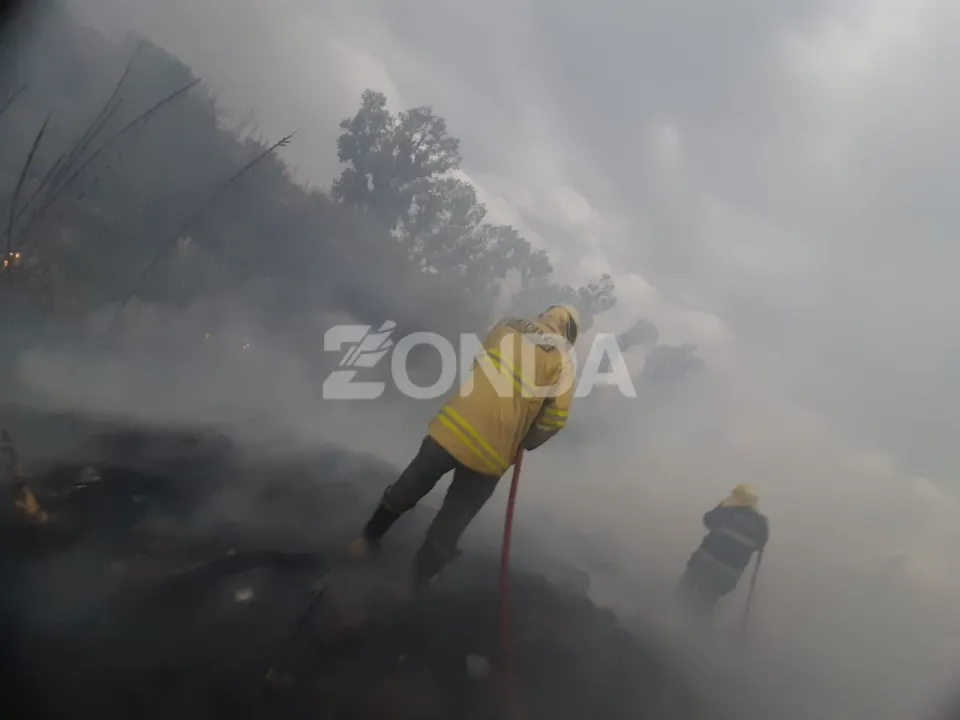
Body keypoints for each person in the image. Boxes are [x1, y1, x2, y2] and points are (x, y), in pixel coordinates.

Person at [345, 304, 581, 592]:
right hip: (492, 451)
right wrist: (527, 440)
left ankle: (365, 541)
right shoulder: (563, 358)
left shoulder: (507, 325)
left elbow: (479, 364)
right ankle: (412, 588)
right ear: (569, 331)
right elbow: (555, 419)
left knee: (410, 484)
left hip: (451, 426)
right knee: (452, 521)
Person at [676, 483, 769, 614]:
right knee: (706, 600)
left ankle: (670, 617)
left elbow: (707, 520)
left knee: (686, 587)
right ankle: (693, 627)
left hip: (706, 558)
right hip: (730, 571)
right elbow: (760, 545)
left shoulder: (726, 510)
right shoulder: (761, 523)